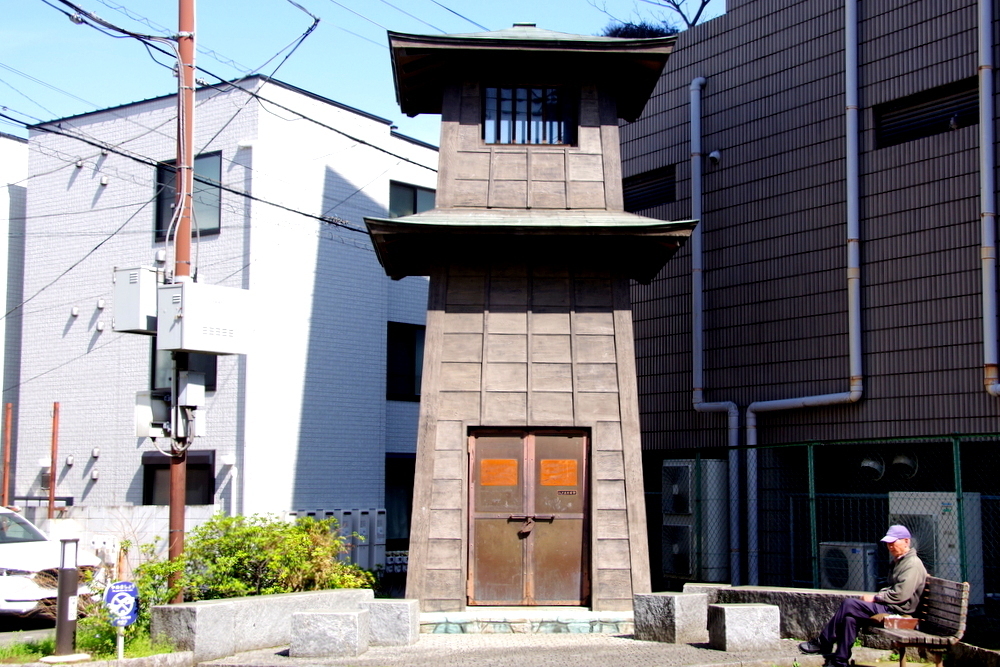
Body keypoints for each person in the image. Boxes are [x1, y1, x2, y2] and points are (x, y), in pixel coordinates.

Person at [798, 525, 927, 667]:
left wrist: (876, 598)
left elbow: (901, 595)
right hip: (891, 607)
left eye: (893, 542)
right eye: (888, 543)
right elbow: (894, 589)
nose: (890, 547)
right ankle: (839, 661)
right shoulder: (900, 561)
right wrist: (880, 596)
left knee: (849, 604)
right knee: (849, 618)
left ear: (906, 541)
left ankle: (824, 642)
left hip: (899, 612)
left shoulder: (912, 564)